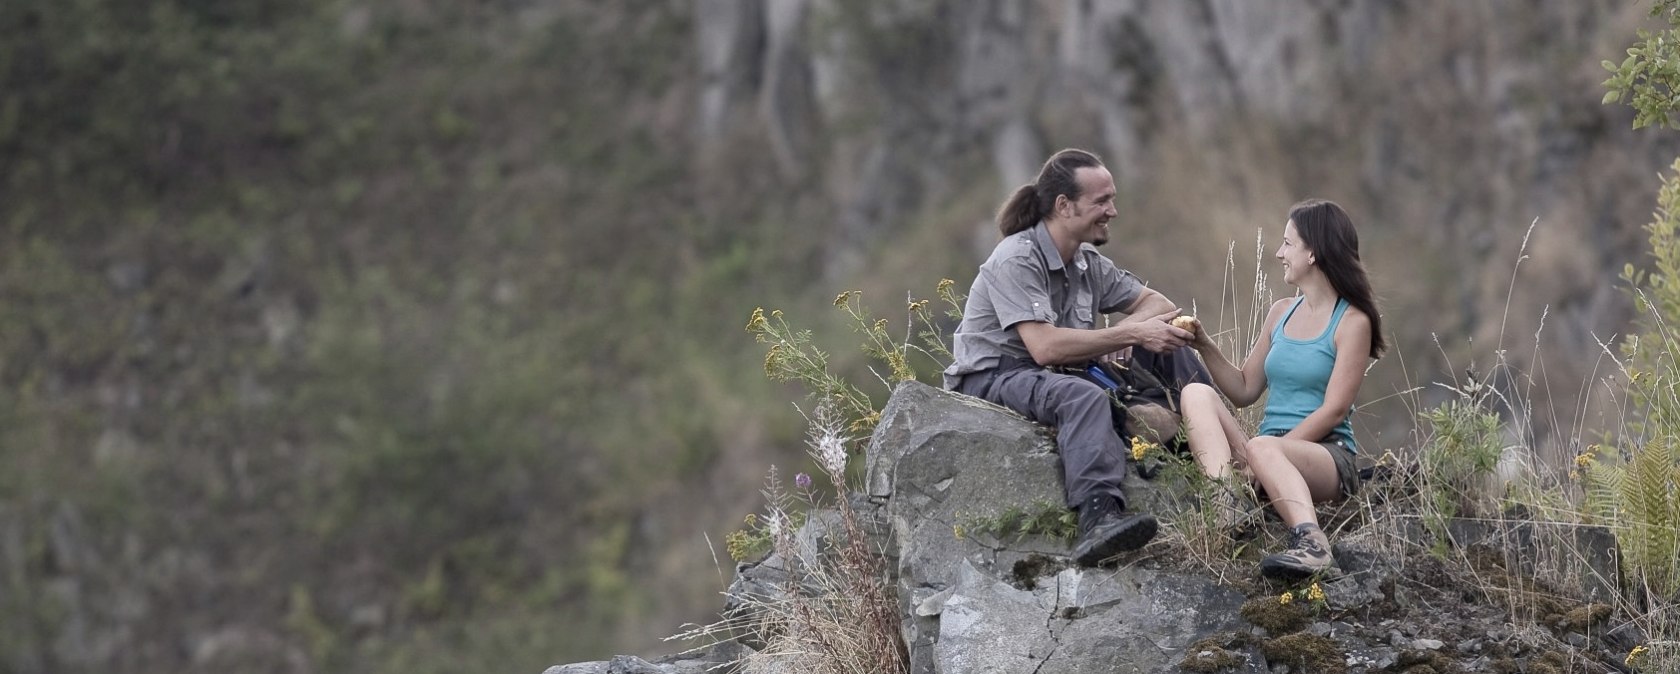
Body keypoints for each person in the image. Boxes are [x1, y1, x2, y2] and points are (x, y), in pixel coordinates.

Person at [943, 148, 1199, 566]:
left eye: (1112, 199)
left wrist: (1124, 334)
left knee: (1170, 346)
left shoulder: (1085, 261)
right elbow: (1043, 348)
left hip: (1056, 373)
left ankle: (1216, 455)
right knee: (1083, 397)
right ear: (1064, 205)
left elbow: (1159, 303)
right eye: (1101, 201)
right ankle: (1098, 517)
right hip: (995, 377)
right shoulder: (1016, 258)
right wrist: (1126, 332)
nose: (1112, 211)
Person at [1177, 198, 1385, 578]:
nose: (1278, 253)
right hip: (1267, 454)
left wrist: (1267, 452)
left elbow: (1335, 409)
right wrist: (1203, 344)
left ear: (1314, 253)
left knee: (1263, 446)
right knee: (1195, 394)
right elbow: (1243, 389)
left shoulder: (1352, 322)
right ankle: (1230, 507)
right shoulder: (1281, 312)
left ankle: (1313, 544)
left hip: (1327, 457)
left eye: (1288, 244)